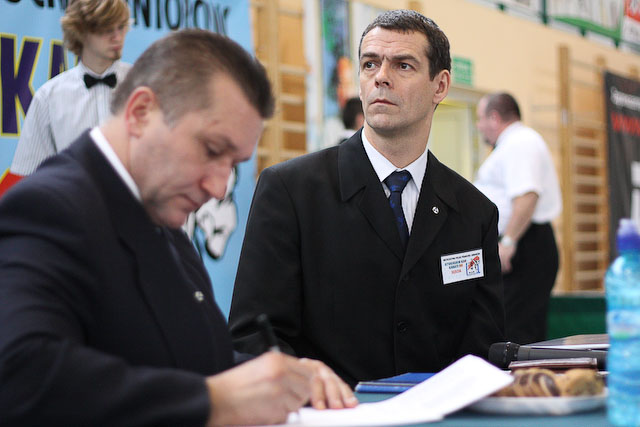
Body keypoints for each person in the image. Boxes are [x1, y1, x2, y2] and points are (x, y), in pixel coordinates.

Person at [0, 29, 356, 426]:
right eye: (211, 150)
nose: (218, 187)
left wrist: (280, 378)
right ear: (141, 112)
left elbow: (189, 358)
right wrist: (213, 401)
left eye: (232, 164)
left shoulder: (160, 214)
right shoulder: (46, 209)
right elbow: (20, 375)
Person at [229, 9, 505, 388]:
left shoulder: (475, 213)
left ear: (440, 86)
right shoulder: (291, 191)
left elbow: (483, 348)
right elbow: (255, 338)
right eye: (370, 64)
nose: (381, 77)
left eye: (403, 65)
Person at [474, 92, 562, 345]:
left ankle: (523, 375)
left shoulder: (521, 142)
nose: (479, 126)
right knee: (508, 326)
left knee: (518, 332)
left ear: (494, 118)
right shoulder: (511, 144)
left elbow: (527, 195)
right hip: (520, 243)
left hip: (525, 245)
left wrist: (509, 242)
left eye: (480, 119)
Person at [10, 0, 132, 176]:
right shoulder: (48, 98)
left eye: (121, 27)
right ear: (80, 31)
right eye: (106, 29)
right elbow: (31, 174)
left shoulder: (143, 85)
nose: (117, 37)